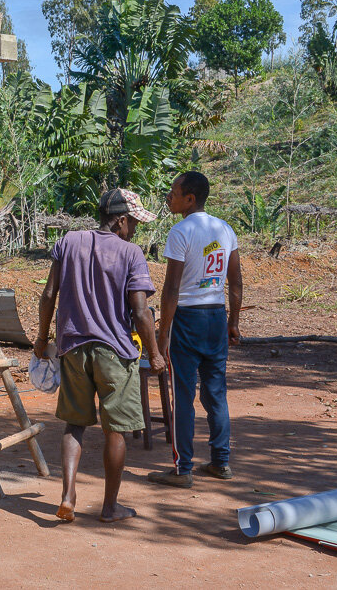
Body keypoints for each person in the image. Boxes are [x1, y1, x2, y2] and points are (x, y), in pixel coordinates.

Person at [36, 188, 168, 523]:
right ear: (121, 220)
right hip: (114, 352)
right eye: (134, 223)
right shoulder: (130, 253)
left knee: (74, 425)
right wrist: (155, 354)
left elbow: (49, 295)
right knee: (116, 430)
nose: (134, 230)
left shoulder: (68, 242)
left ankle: (68, 496)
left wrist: (41, 339)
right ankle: (110, 507)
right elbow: (140, 312)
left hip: (73, 349)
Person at [148, 172, 242, 488]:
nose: (168, 197)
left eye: (173, 192)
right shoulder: (224, 229)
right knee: (216, 393)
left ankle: (182, 469)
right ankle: (220, 462)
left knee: (183, 395)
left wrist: (163, 334)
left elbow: (171, 289)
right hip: (216, 316)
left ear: (189, 199)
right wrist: (233, 322)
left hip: (187, 320)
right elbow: (236, 283)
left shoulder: (180, 232)